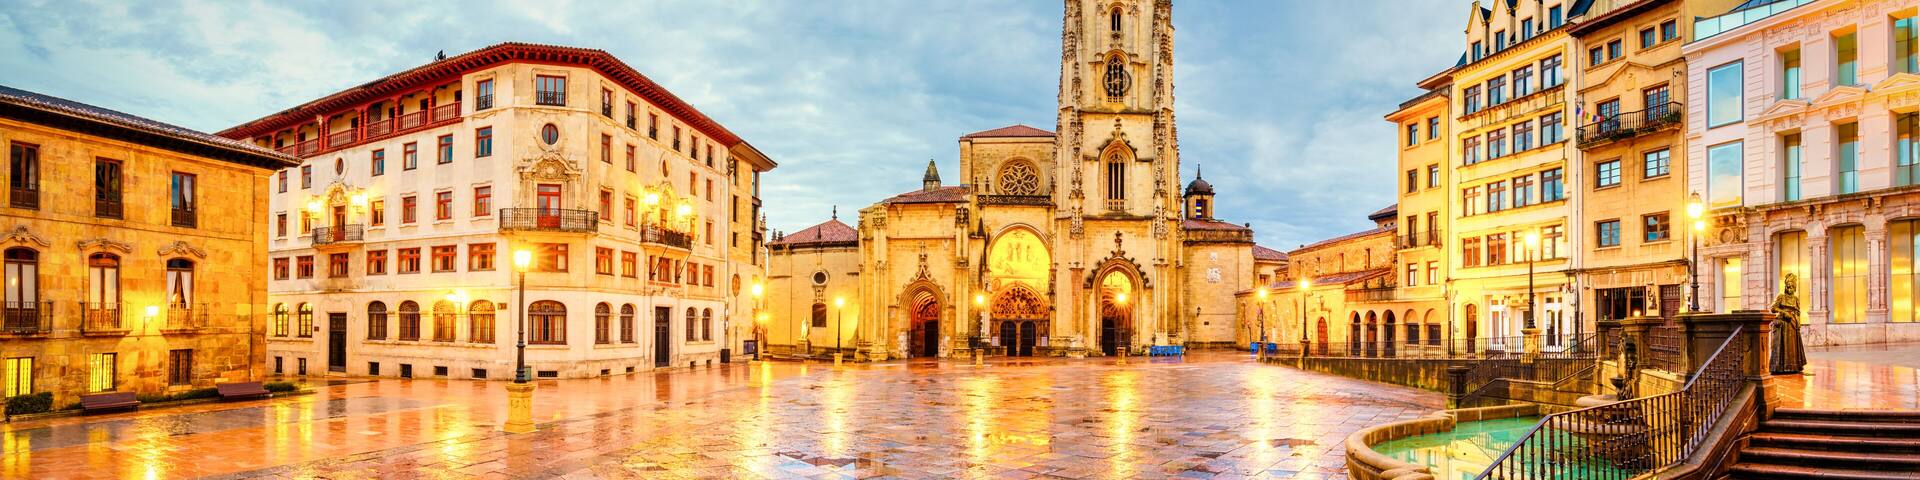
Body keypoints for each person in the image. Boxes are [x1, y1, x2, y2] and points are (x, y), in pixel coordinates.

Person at [1769, 273, 1807, 374]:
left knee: (1792, 347)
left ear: (1794, 288)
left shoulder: (1796, 299)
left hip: (1792, 324)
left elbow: (1798, 312)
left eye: (1792, 286)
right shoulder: (1781, 296)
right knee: (1782, 345)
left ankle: (1792, 366)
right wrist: (1784, 312)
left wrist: (1798, 322)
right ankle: (1780, 367)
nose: (1789, 288)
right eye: (1788, 286)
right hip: (1783, 324)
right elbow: (1773, 308)